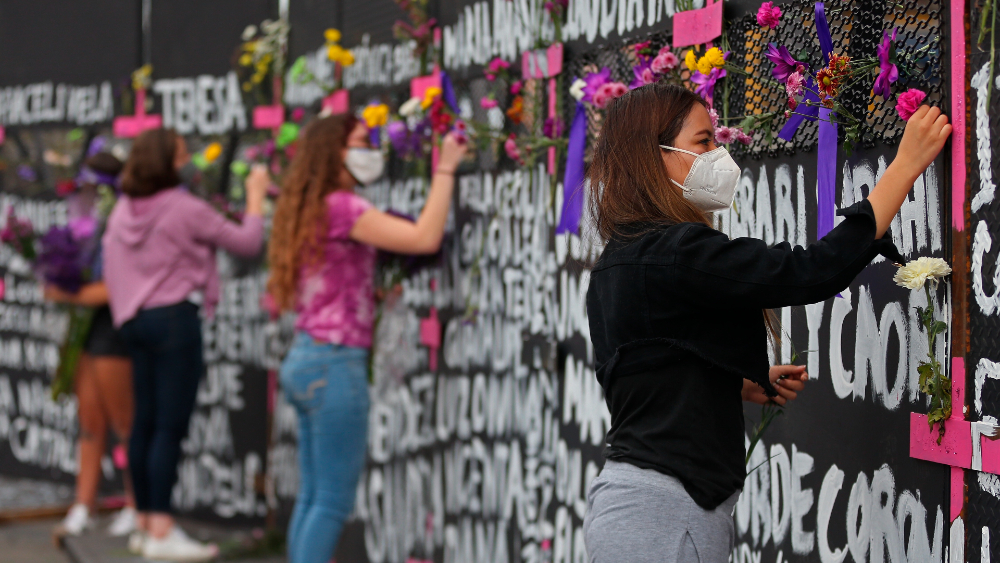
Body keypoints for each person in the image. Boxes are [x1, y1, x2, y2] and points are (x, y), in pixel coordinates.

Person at [582, 83, 951, 562]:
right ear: (656, 156)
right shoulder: (675, 253)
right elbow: (809, 272)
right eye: (703, 142)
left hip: (634, 506)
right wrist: (904, 166)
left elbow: (646, 371)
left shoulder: (619, 263)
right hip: (664, 514)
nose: (718, 154)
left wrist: (731, 382)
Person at [266, 114, 467, 563]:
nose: (369, 150)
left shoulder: (311, 206)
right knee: (332, 502)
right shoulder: (343, 206)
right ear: (332, 153)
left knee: (314, 496)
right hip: (334, 364)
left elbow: (331, 279)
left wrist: (370, 293)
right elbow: (423, 237)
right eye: (359, 142)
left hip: (306, 359)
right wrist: (446, 167)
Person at [102, 128, 269, 562]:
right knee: (169, 428)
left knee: (144, 422)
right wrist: (255, 200)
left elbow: (112, 266)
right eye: (181, 155)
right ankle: (161, 528)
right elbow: (248, 243)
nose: (189, 161)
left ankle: (143, 522)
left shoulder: (122, 210)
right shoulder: (185, 208)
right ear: (168, 162)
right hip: (176, 320)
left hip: (134, 322)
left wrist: (126, 311)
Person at [48, 152, 137, 538]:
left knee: (125, 422)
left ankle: (138, 503)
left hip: (116, 334)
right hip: (85, 334)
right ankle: (84, 504)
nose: (84, 195)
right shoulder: (79, 230)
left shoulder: (125, 226)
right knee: (90, 421)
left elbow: (120, 288)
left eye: (93, 187)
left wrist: (73, 294)